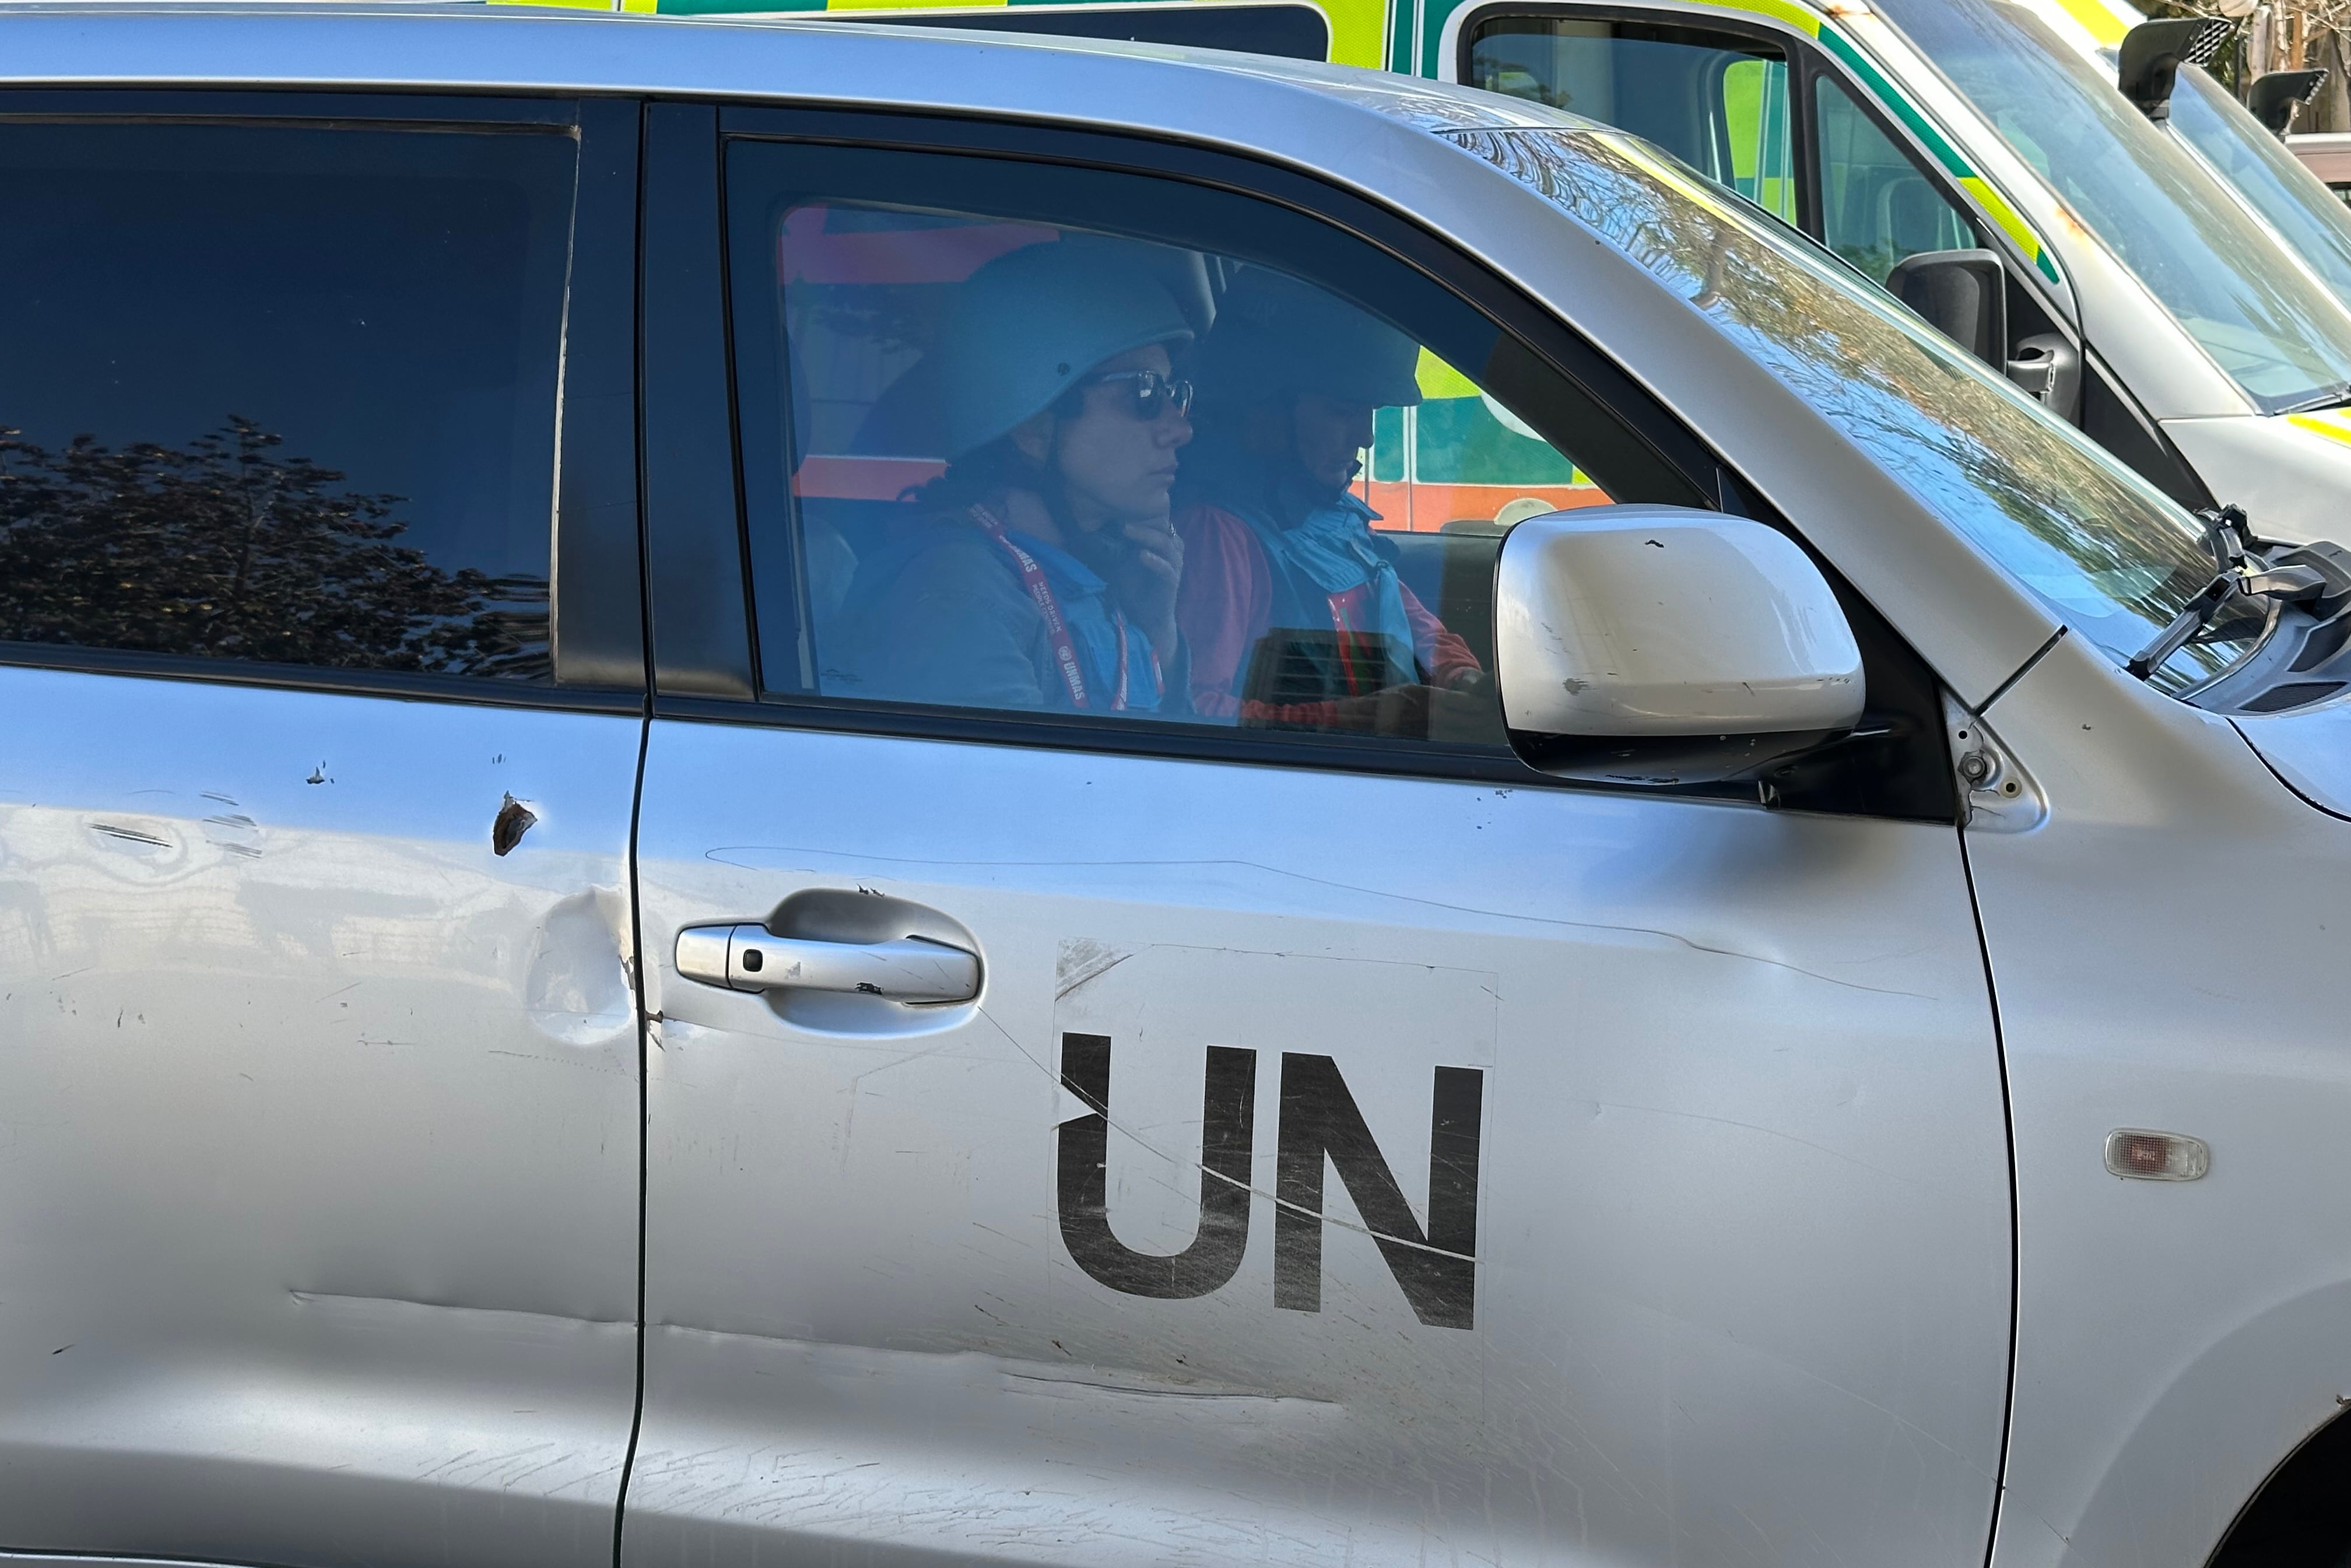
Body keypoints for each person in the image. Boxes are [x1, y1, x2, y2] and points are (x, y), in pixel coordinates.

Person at [839, 237, 1195, 715]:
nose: (1180, 427)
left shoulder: (1098, 579)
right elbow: (1023, 790)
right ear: (1033, 429)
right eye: (1145, 392)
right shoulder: (958, 598)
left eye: (1176, 393)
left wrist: (1159, 635)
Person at [1171, 268, 1490, 735]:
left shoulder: (1333, 517)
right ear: (1267, 412)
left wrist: (1462, 678)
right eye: (1342, 413)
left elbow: (1409, 618)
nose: (1365, 437)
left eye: (1368, 415)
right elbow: (1193, 708)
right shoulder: (1219, 536)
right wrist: (1370, 718)